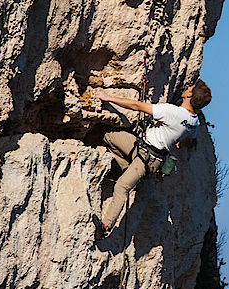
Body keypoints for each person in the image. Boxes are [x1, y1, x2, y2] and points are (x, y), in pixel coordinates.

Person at [91, 79, 212, 240]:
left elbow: (137, 106)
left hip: (145, 158)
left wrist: (107, 97)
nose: (187, 87)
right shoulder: (194, 121)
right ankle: (126, 169)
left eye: (189, 87)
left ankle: (105, 227)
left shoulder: (173, 112)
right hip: (148, 155)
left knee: (121, 187)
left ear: (189, 94)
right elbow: (188, 141)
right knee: (110, 137)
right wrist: (177, 140)